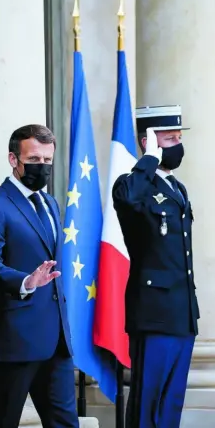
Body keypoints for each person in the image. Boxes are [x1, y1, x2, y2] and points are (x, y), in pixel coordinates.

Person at [0, 124, 78, 428]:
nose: (41, 167)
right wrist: (26, 282)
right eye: (34, 160)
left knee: (66, 423)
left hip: (56, 340)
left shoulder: (50, 203)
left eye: (47, 161)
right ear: (13, 159)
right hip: (13, 339)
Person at [113, 105, 199, 428]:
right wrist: (148, 159)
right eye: (168, 138)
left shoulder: (177, 188)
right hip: (153, 313)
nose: (177, 144)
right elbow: (126, 199)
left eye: (179, 137)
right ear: (147, 140)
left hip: (181, 314)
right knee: (147, 404)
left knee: (171, 404)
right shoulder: (133, 184)